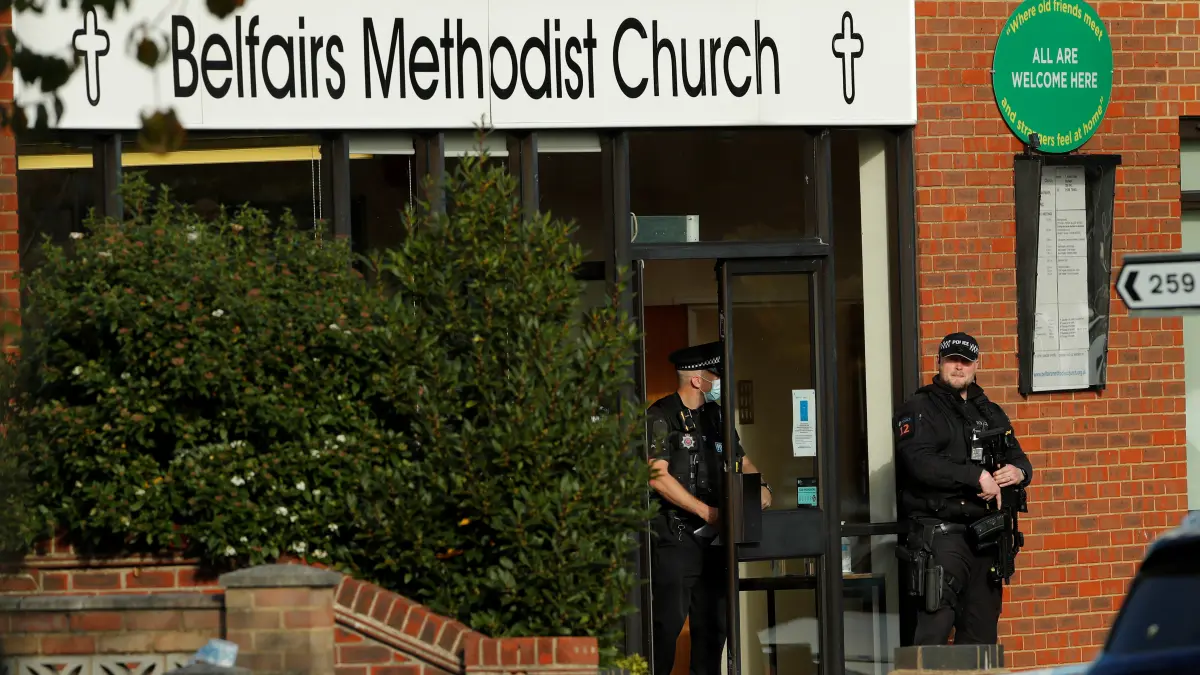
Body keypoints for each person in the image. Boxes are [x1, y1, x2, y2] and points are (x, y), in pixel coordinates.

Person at [894, 332, 1034, 646]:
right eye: (952, 360)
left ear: (976, 366)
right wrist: (976, 476)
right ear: (939, 362)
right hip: (941, 537)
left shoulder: (989, 412)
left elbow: (1020, 458)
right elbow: (920, 462)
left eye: (966, 361)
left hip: (986, 538)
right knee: (933, 633)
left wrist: (1018, 473)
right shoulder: (919, 408)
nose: (959, 367)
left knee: (981, 636)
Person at [645, 341, 772, 675]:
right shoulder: (660, 416)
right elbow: (656, 476)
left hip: (715, 541)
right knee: (664, 629)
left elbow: (742, 461)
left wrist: (760, 487)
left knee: (714, 630)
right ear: (696, 380)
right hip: (675, 538)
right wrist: (706, 512)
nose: (718, 383)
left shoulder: (716, 417)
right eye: (714, 376)